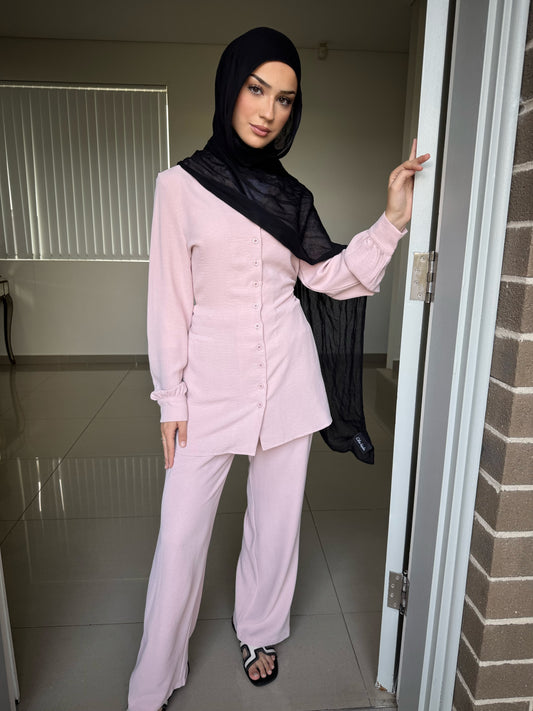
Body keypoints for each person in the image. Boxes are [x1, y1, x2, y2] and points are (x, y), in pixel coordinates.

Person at [127, 26, 429, 711]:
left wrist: (390, 221)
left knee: (276, 521)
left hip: (288, 377)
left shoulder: (290, 197)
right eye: (256, 89)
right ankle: (154, 676)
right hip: (208, 385)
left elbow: (329, 277)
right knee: (180, 537)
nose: (268, 111)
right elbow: (168, 302)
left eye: (285, 99)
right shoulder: (179, 186)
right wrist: (170, 399)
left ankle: (258, 630)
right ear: (230, 88)